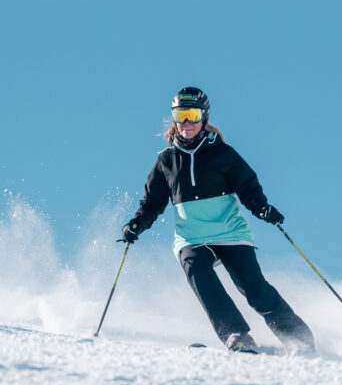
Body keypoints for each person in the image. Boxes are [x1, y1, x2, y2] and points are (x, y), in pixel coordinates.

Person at [121, 87, 315, 353]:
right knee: (197, 272)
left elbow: (248, 187)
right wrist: (137, 224)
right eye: (180, 115)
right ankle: (236, 333)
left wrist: (262, 208)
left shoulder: (222, 153)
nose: (186, 123)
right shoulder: (166, 161)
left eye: (192, 114)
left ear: (204, 116)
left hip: (230, 233)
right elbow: (153, 202)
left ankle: (299, 338)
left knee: (254, 290)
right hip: (191, 238)